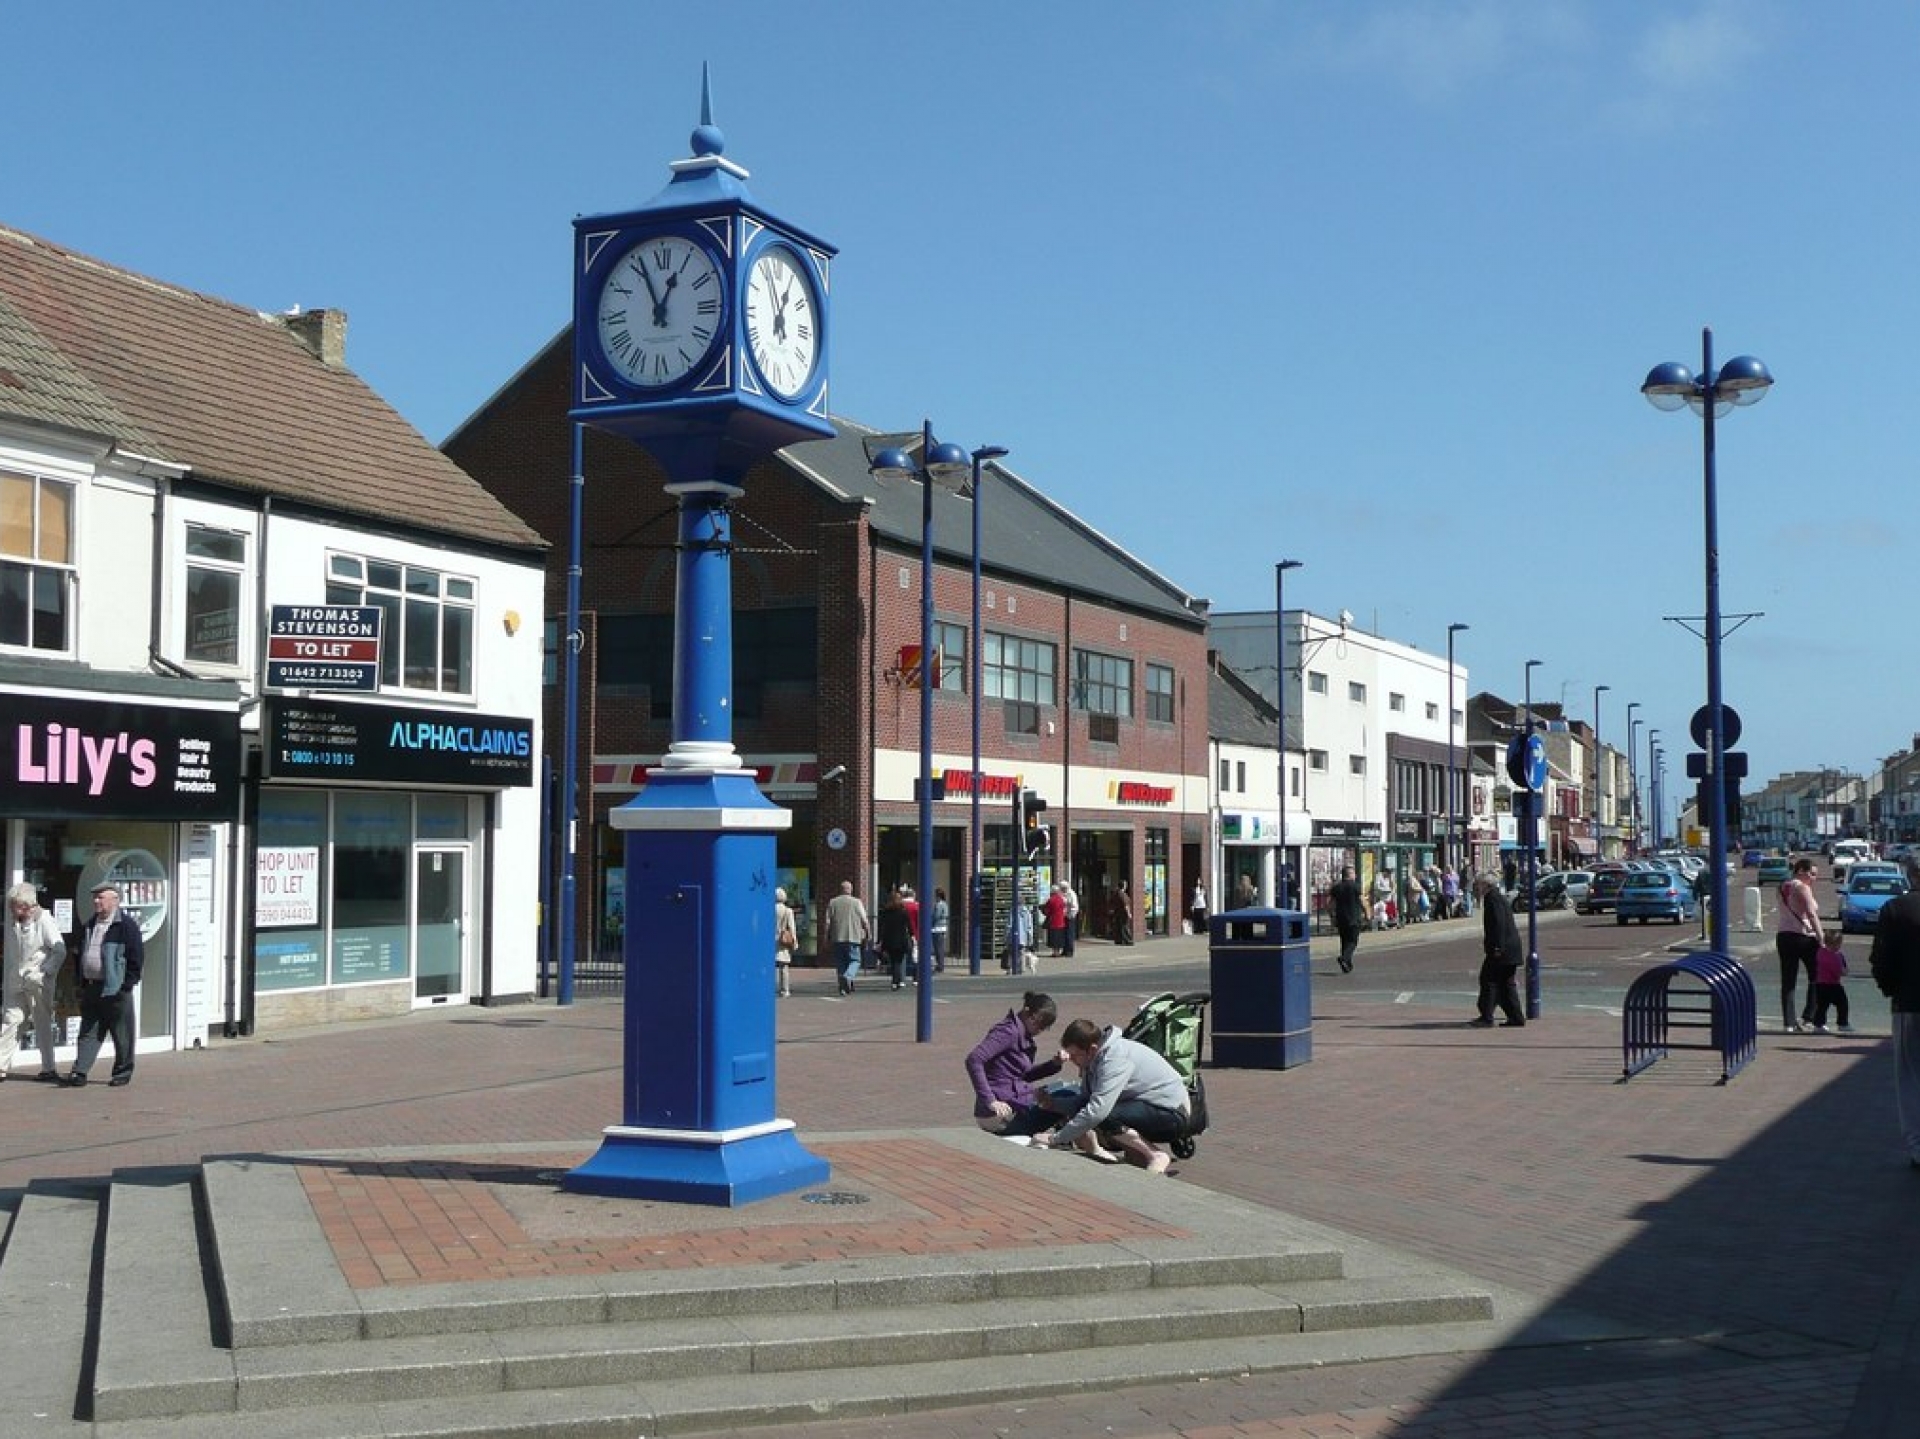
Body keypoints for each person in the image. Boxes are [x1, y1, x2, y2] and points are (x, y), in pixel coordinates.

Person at [1029, 1017, 1190, 1174]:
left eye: (1075, 1055)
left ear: (1091, 1049)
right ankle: (1137, 1155)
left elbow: (1098, 1110)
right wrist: (1053, 1104)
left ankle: (1155, 1155)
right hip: (1148, 1106)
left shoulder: (1115, 1059)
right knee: (1096, 1113)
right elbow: (1085, 1101)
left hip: (1172, 1113)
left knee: (1105, 1117)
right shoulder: (1093, 1060)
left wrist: (1055, 1139)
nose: (1072, 1060)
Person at [66, 881, 143, 1087]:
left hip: (116, 989)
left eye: (101, 897)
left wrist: (126, 984)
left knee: (122, 1033)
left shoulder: (126, 926)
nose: (96, 901)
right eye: (95, 897)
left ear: (115, 900)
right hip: (92, 986)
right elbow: (79, 953)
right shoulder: (90, 924)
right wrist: (80, 981)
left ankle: (122, 1072)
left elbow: (136, 958)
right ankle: (79, 1071)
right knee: (88, 1030)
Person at [1870, 852, 1920, 1166]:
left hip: (1909, 1003)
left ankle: (1918, 1145)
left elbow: (1880, 960)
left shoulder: (1895, 909)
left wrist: (1891, 989)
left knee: (1910, 1075)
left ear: (1911, 875)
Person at [964, 991, 1066, 1137]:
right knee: (1066, 1096)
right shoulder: (1008, 1032)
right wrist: (990, 1100)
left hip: (1013, 1101)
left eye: (1043, 1027)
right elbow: (974, 1060)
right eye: (1037, 1022)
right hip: (1000, 1111)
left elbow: (1024, 1076)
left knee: (1060, 1091)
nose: (1039, 1029)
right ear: (1026, 1011)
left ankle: (1064, 1134)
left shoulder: (1022, 1034)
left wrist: (1054, 1064)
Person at [1, 882, 67, 1082]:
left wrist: (43, 972)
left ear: (27, 905)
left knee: (42, 1023)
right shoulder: (14, 922)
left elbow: (59, 950)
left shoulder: (45, 920)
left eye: (16, 905)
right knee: (11, 1021)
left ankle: (49, 1067)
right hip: (16, 980)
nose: (12, 908)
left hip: (37, 980)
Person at [1469, 871, 1525, 1028]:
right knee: (1506, 984)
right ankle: (1516, 1017)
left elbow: (1499, 924)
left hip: (1503, 950)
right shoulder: (1496, 897)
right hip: (1509, 949)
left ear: (1486, 885)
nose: (1477, 888)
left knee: (1489, 980)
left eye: (1479, 884)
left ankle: (1486, 1016)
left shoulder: (1492, 899)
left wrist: (1498, 947)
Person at [1776, 857, 1823, 1032]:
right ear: (1800, 871)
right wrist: (1821, 937)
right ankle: (1809, 1017)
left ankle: (1788, 1022)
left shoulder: (1782, 887)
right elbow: (1811, 914)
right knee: (1817, 976)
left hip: (1783, 935)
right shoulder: (1803, 888)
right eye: (1811, 874)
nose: (1814, 878)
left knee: (1788, 980)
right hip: (1804, 937)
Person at [825, 880, 869, 995]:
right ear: (851, 890)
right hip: (853, 936)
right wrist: (868, 933)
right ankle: (848, 977)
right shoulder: (857, 902)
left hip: (837, 937)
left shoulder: (832, 902)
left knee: (840, 963)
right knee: (855, 960)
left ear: (841, 889)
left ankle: (843, 988)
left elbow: (827, 922)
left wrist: (826, 936)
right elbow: (864, 920)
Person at [1810, 928, 1852, 1035]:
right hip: (1833, 984)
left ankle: (1818, 1024)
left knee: (1822, 1006)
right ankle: (1842, 1023)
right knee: (1842, 1003)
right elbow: (1839, 971)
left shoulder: (1820, 952)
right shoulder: (1836, 956)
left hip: (1820, 984)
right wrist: (1845, 971)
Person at [877, 886, 914, 990]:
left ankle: (895, 981)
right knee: (898, 961)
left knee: (893, 961)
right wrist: (912, 936)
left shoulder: (886, 912)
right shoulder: (903, 912)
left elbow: (882, 927)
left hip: (889, 940)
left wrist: (880, 940)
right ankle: (896, 981)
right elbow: (909, 926)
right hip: (901, 940)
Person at [1328, 866, 1364, 974]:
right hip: (1353, 918)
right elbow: (1363, 901)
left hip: (1341, 919)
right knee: (1353, 941)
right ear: (1350, 874)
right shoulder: (1355, 887)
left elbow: (1330, 905)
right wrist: (1368, 914)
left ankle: (1347, 965)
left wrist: (1332, 917)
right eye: (1354, 873)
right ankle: (1344, 958)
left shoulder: (1336, 888)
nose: (1355, 875)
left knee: (1344, 941)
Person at [772, 887, 798, 998]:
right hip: (783, 941)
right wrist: (795, 941)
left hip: (771, 940)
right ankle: (784, 990)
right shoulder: (788, 911)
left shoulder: (769, 909)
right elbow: (792, 928)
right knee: (784, 967)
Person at [1042, 883, 1069, 958]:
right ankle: (1058, 951)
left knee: (1053, 937)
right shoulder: (1061, 899)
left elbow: (1047, 910)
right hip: (1061, 921)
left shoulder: (1051, 900)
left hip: (1053, 921)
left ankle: (1055, 952)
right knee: (1059, 937)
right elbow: (1064, 908)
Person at [929, 888, 949, 973]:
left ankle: (940, 966)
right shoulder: (945, 904)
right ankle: (940, 965)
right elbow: (945, 915)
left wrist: (931, 920)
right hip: (942, 928)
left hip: (937, 928)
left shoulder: (938, 905)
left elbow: (936, 916)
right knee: (940, 948)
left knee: (938, 949)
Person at [1112, 880, 1134, 945]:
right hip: (1123, 913)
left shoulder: (1116, 893)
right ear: (1123, 886)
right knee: (1125, 927)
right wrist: (1129, 913)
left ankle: (1118, 940)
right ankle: (1128, 940)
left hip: (1117, 913)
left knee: (1118, 926)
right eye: (1125, 885)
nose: (1126, 886)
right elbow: (1125, 905)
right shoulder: (1122, 894)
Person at [1061, 880, 1079, 958]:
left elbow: (1074, 906)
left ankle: (1070, 950)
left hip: (1070, 916)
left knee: (1069, 934)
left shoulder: (1071, 894)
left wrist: (1071, 915)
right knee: (1064, 934)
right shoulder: (1062, 893)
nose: (1062, 890)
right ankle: (1065, 950)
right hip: (1064, 916)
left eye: (1063, 888)